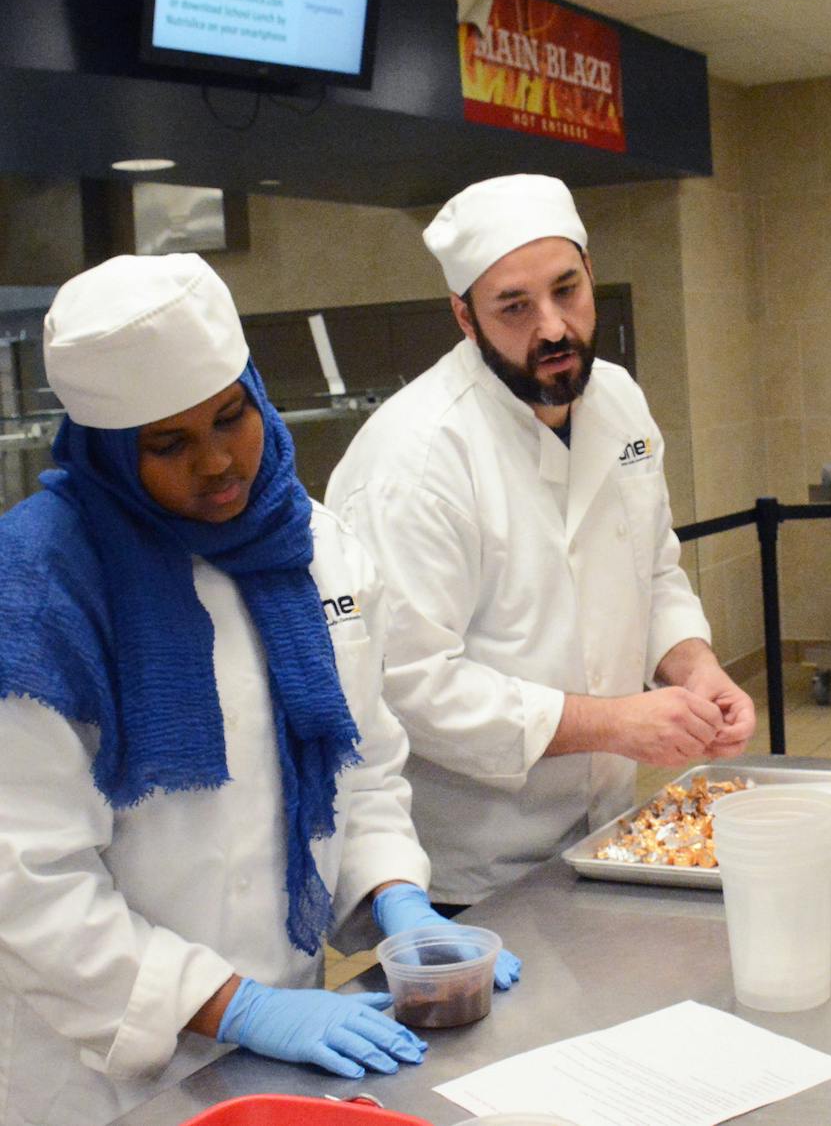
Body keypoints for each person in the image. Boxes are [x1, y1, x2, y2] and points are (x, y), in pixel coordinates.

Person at [0, 254, 516, 1126]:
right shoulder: (40, 592)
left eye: (231, 418)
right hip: (103, 1068)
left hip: (291, 1041)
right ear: (108, 454)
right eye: (169, 445)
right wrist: (233, 1006)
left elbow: (363, 766)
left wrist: (395, 896)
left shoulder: (311, 542)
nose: (217, 463)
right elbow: (29, 880)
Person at [326, 174, 756, 906]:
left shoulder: (617, 400)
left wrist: (693, 667)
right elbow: (411, 685)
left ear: (592, 274)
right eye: (515, 307)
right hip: (469, 873)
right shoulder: (417, 458)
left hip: (606, 833)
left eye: (567, 291)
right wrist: (614, 723)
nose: (553, 328)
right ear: (464, 318)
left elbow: (651, 572)